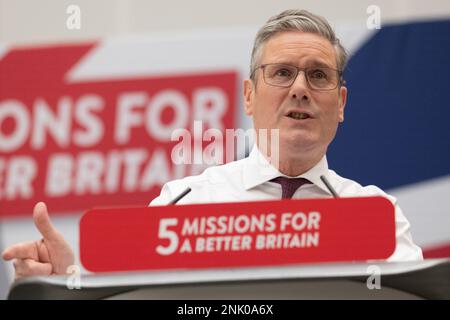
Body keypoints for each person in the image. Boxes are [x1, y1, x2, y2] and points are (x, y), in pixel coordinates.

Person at [2, 9, 423, 280]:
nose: (300, 89)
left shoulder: (377, 217)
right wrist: (68, 280)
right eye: (281, 73)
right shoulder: (184, 204)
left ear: (341, 103)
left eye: (318, 75)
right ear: (249, 96)